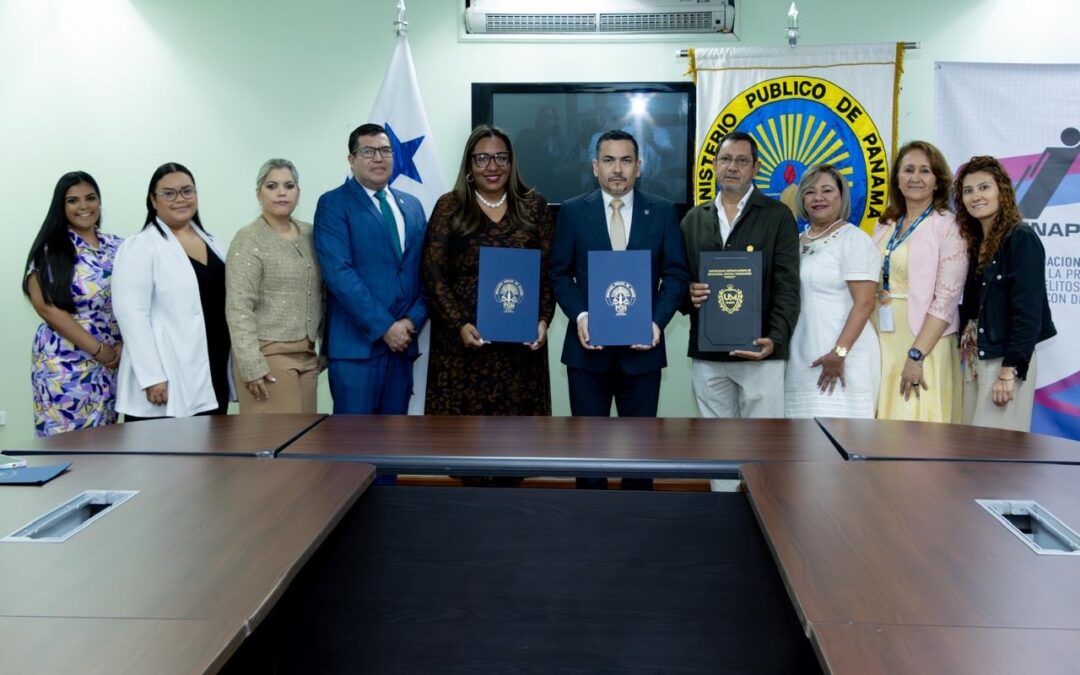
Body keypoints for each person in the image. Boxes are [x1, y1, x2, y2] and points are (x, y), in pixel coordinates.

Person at [549, 129, 689, 490]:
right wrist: (581, 316)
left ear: (639, 166)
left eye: (626, 160)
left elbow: (675, 276)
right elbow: (560, 274)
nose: (617, 169)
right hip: (586, 355)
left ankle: (635, 536)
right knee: (589, 457)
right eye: (609, 160)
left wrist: (657, 323)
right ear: (595, 167)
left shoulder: (661, 212)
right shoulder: (572, 212)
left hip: (642, 356)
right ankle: (590, 534)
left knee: (640, 458)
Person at [421, 125, 554, 416]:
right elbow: (433, 274)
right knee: (459, 444)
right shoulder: (449, 206)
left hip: (521, 351)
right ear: (469, 164)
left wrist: (543, 320)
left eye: (500, 158)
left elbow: (548, 274)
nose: (492, 166)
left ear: (511, 162)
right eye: (482, 158)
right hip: (462, 348)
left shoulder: (535, 206)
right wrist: (459, 324)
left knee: (520, 442)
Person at [683, 131, 800, 419]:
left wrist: (776, 338)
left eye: (741, 160)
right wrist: (688, 293)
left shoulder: (778, 216)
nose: (732, 167)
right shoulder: (694, 219)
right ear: (713, 165)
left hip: (760, 351)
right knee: (714, 446)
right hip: (709, 354)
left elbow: (787, 285)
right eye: (725, 159)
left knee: (761, 445)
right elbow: (679, 278)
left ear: (756, 167)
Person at [313, 123, 428, 415]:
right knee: (353, 448)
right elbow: (339, 274)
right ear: (351, 159)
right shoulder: (333, 204)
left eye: (386, 150)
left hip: (402, 348)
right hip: (356, 351)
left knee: (395, 447)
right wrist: (385, 327)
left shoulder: (413, 206)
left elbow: (427, 272)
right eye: (368, 151)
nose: (379, 158)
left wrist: (410, 323)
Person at [113, 163, 232, 419]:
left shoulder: (212, 241)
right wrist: (152, 376)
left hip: (213, 367)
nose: (180, 199)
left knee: (212, 454)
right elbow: (131, 314)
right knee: (167, 455)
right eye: (169, 193)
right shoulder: (140, 246)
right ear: (153, 201)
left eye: (187, 191)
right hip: (168, 373)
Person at [955, 155, 1056, 431]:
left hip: (1004, 360)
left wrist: (1009, 371)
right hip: (978, 357)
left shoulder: (1021, 238)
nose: (976, 196)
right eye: (968, 190)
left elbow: (1029, 315)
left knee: (996, 457)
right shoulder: (977, 243)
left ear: (1002, 190)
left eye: (984, 187)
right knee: (972, 448)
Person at [872, 141, 967, 422]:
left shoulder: (949, 226)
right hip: (881, 339)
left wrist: (917, 354)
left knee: (915, 426)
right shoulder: (885, 224)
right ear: (897, 179)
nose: (915, 177)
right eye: (908, 169)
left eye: (924, 171)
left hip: (924, 342)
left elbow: (947, 299)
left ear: (938, 181)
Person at [23, 171, 123, 436]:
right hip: (64, 363)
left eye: (90, 198)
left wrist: (121, 346)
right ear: (61, 206)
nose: (83, 206)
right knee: (66, 444)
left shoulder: (119, 246)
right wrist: (97, 349)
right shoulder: (51, 249)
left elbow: (136, 300)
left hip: (112, 361)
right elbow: (45, 306)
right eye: (73, 201)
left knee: (106, 441)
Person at [226, 159, 323, 414]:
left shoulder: (311, 234)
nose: (281, 192)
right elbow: (239, 307)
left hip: (308, 354)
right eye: (272, 186)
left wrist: (327, 346)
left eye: (289, 186)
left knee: (307, 444)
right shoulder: (248, 239)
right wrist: (250, 365)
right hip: (267, 356)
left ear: (298, 193)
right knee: (279, 442)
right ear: (259, 193)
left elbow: (323, 294)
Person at [784, 164, 880, 418]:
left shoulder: (854, 240)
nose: (818, 198)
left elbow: (865, 304)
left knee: (843, 444)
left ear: (841, 196)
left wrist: (839, 353)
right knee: (801, 446)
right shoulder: (793, 242)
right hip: (800, 360)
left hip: (845, 359)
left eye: (827, 190)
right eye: (810, 192)